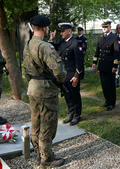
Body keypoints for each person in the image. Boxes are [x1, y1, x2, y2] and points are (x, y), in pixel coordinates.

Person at [23, 15, 66, 168]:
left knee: (36, 123)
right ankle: (46, 158)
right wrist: (60, 80)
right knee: (48, 124)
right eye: (47, 27)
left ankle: (38, 154)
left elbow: (26, 70)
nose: (48, 30)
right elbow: (59, 71)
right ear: (43, 28)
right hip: (46, 90)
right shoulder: (45, 47)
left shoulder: (28, 45)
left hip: (33, 88)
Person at [49, 22, 84, 126]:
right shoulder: (62, 42)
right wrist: (51, 39)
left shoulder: (75, 43)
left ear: (69, 31)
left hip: (72, 75)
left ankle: (77, 116)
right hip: (64, 75)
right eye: (60, 31)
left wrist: (77, 76)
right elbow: (52, 48)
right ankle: (70, 114)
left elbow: (79, 62)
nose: (61, 33)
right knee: (67, 96)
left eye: (63, 31)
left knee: (75, 96)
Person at [92, 19, 119, 111]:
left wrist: (115, 66)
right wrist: (94, 62)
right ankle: (107, 100)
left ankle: (112, 102)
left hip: (110, 65)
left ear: (110, 27)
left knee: (110, 84)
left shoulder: (114, 37)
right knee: (104, 84)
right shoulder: (100, 37)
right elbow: (97, 51)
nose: (104, 28)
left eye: (106, 27)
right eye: (103, 27)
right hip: (102, 64)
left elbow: (116, 52)